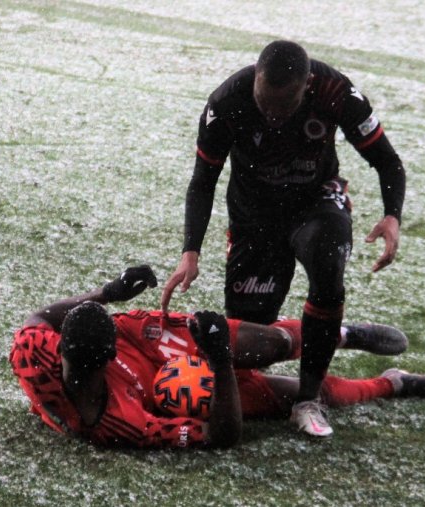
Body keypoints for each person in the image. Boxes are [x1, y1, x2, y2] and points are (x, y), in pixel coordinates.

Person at [161, 40, 406, 436]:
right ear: (255, 77)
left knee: (327, 261)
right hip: (254, 215)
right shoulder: (226, 102)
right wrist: (190, 251)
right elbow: (201, 182)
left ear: (306, 85)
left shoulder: (335, 91)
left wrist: (392, 216)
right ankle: (343, 334)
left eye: (283, 106)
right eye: (265, 104)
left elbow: (388, 161)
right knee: (248, 342)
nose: (273, 115)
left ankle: (308, 399)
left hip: (315, 202)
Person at [10, 266, 425, 449]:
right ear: (106, 355)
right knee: (298, 394)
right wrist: (220, 363)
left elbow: (40, 316)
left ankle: (340, 334)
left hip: (148, 341)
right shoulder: (121, 424)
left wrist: (107, 293)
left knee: (269, 344)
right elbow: (219, 436)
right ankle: (397, 383)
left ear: (63, 348)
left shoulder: (35, 352)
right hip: (173, 391)